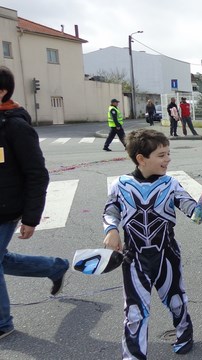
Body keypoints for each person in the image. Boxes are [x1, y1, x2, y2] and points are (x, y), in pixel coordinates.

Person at [102, 128, 202, 357]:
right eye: (161, 155)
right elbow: (110, 210)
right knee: (135, 313)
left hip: (167, 255)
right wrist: (111, 231)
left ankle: (185, 333)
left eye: (168, 153)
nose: (168, 159)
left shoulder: (171, 185)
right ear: (141, 159)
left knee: (176, 301)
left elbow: (194, 214)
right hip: (134, 258)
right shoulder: (120, 184)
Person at [0, 66, 69, 340]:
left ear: (2, 91)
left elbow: (37, 173)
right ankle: (54, 267)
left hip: (6, 209)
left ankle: (3, 324)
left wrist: (31, 218)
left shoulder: (15, 126)